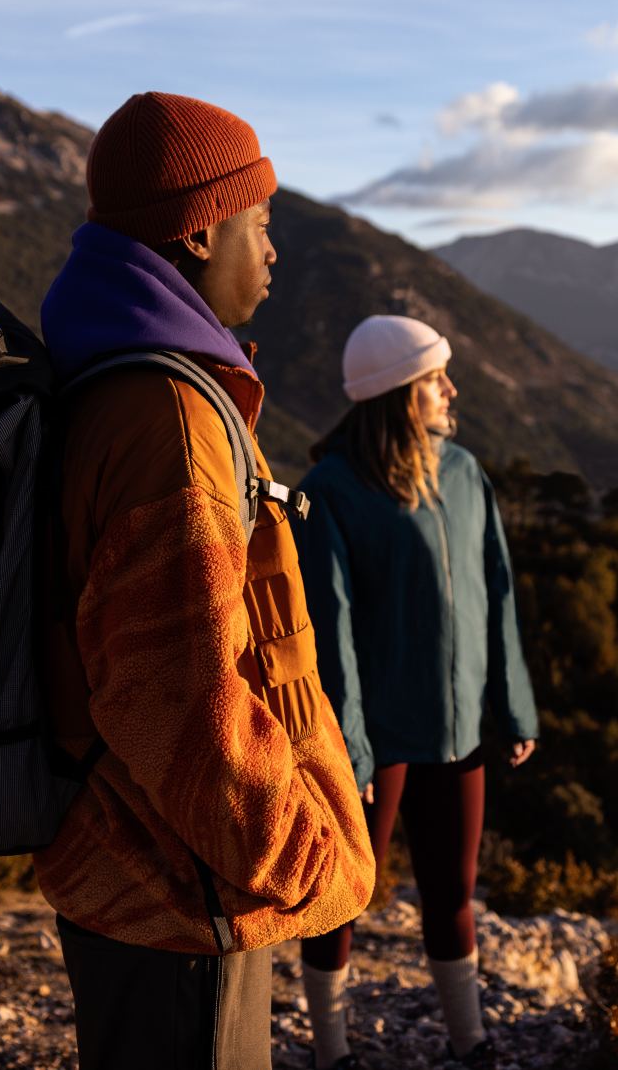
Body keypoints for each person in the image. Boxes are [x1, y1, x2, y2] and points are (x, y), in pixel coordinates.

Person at [34, 92, 375, 1070]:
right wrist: (299, 859)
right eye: (258, 223)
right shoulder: (165, 418)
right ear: (197, 231)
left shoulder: (119, 382)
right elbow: (178, 694)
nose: (272, 252)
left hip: (146, 863)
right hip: (185, 888)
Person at [294, 314, 539, 1070]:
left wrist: (514, 706)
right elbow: (327, 633)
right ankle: (331, 1050)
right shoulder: (329, 491)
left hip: (460, 732)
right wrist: (351, 751)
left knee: (453, 892)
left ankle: (470, 1043)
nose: (451, 389)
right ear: (401, 393)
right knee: (341, 898)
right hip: (375, 741)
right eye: (437, 377)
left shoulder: (465, 473)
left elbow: (497, 593)